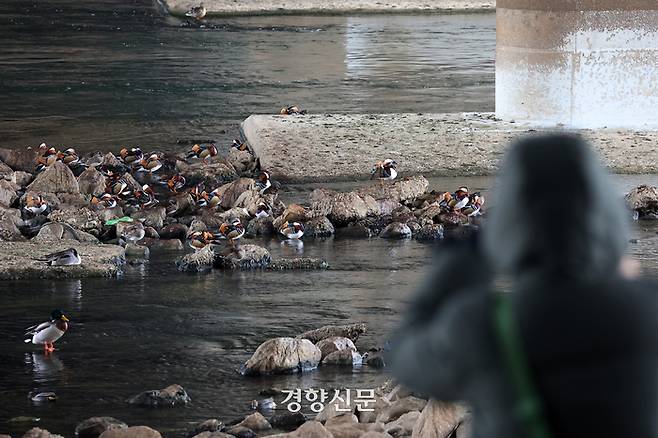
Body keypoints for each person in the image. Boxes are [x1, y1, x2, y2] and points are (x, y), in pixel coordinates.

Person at [389, 134, 658, 438]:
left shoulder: (480, 324)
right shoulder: (648, 308)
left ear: (509, 228)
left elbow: (404, 360)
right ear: (609, 219)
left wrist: (456, 270)